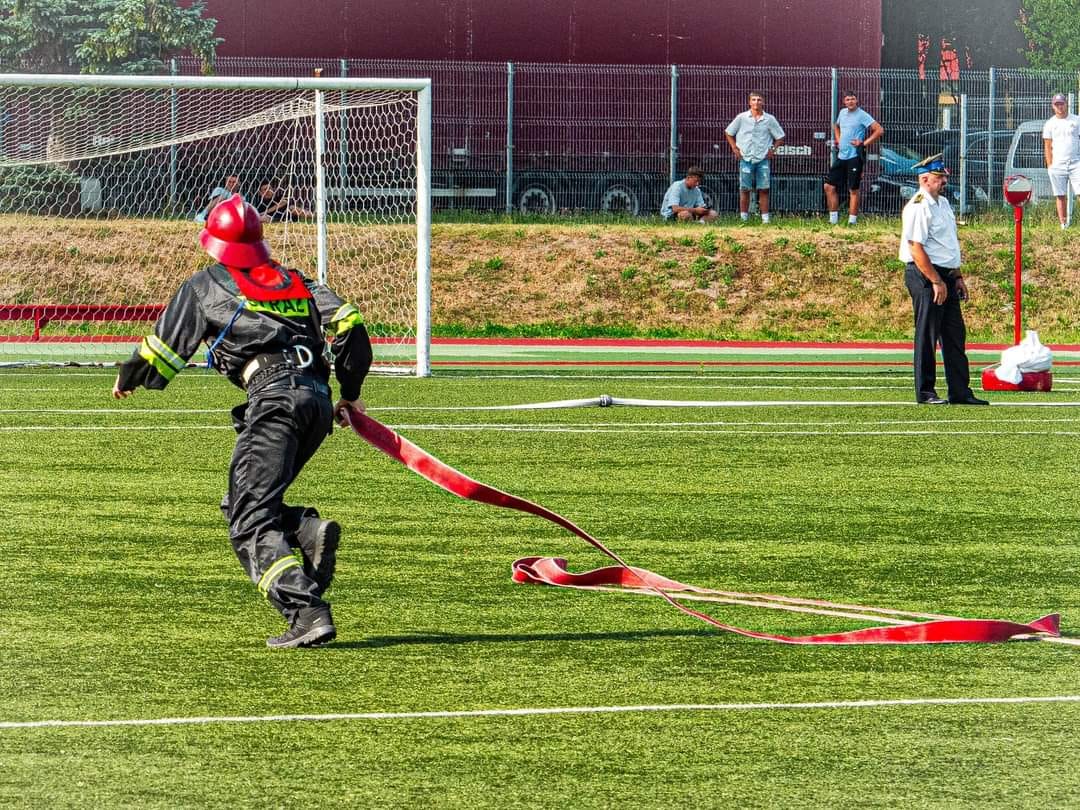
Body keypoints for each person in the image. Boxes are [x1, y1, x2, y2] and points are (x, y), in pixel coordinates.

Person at [112, 194, 374, 648]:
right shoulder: (296, 280)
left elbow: (165, 345)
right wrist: (350, 395)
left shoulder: (207, 284)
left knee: (249, 522)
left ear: (212, 243)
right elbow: (351, 323)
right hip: (314, 401)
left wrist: (131, 377)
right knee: (242, 502)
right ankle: (304, 531)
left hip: (274, 402)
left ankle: (305, 611)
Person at [900, 154, 987, 406]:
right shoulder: (919, 205)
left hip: (945, 274)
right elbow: (916, 248)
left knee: (954, 334)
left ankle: (960, 391)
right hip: (926, 275)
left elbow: (948, 244)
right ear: (924, 179)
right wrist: (935, 281)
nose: (944, 181)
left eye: (944, 177)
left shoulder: (944, 204)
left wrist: (956, 276)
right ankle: (925, 392)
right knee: (927, 334)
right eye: (939, 177)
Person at [724, 90, 785, 223]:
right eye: (754, 99)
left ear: (763, 102)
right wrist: (734, 148)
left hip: (762, 158)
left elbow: (780, 137)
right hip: (745, 157)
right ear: (749, 102)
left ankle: (765, 219)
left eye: (759, 99)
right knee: (745, 189)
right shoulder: (742, 117)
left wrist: (772, 150)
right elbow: (729, 132)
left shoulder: (769, 119)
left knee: (763, 189)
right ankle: (743, 219)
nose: (756, 102)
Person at [824, 91, 883, 225]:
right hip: (841, 156)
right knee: (829, 186)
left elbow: (879, 130)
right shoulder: (842, 113)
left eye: (852, 99)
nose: (850, 101)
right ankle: (833, 221)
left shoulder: (862, 115)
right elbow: (836, 126)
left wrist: (863, 143)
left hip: (855, 157)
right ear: (844, 102)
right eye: (847, 99)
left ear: (856, 101)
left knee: (853, 189)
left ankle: (852, 222)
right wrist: (839, 140)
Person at [1042, 93, 1080, 230]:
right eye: (1057, 104)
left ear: (1066, 104)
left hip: (1076, 163)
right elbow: (1047, 145)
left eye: (1061, 104)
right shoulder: (1050, 124)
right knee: (1060, 195)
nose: (1060, 107)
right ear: (1053, 106)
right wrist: (1050, 165)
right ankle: (1063, 224)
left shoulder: (1076, 120)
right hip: (1057, 165)